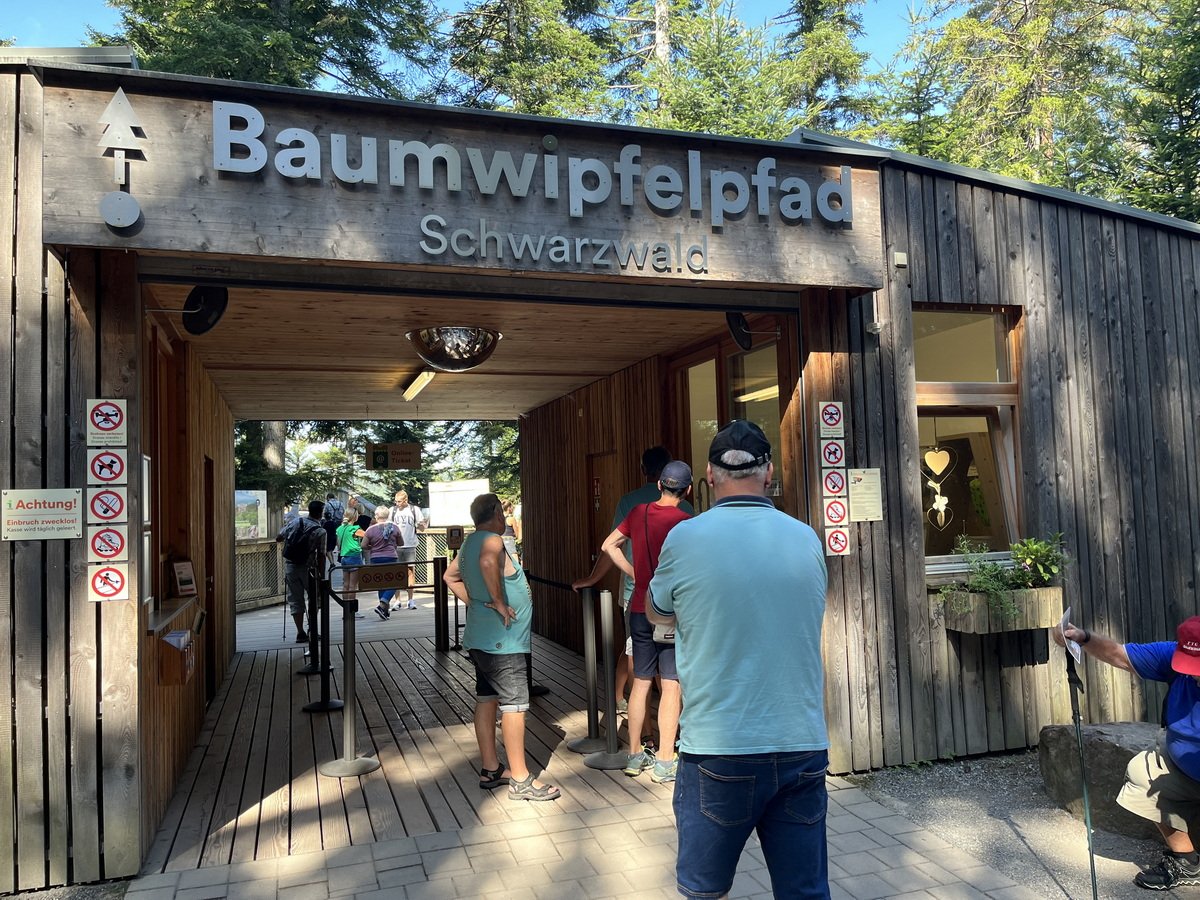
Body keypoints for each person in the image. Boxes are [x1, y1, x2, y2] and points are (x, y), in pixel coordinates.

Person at [648, 421, 830, 900]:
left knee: (705, 892)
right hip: (801, 742)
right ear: (768, 473)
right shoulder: (806, 537)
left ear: (709, 475)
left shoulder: (685, 538)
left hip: (718, 746)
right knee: (805, 892)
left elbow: (657, 610)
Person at [1053, 616, 1200, 891]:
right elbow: (1120, 655)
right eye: (1189, 665)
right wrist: (1083, 638)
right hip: (1183, 769)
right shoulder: (1172, 656)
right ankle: (1186, 862)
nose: (1193, 674)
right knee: (1142, 772)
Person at [443, 493, 560, 802]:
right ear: (497, 513)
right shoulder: (492, 541)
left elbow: (449, 577)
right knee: (515, 705)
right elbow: (487, 562)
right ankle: (520, 778)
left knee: (487, 699)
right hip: (503, 641)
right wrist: (496, 601)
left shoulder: (469, 542)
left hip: (482, 638)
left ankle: (491, 768)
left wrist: (476, 603)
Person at [573, 447, 693, 716]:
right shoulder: (685, 509)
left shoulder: (632, 504)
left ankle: (641, 729)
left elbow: (611, 546)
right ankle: (670, 729)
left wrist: (598, 577)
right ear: (687, 488)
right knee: (671, 674)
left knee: (636, 659)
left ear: (644, 471)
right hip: (675, 599)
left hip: (635, 594)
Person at [602, 460, 692, 782]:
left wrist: (635, 573)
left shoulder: (637, 512)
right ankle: (665, 761)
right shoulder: (686, 522)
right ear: (688, 491)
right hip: (671, 611)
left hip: (640, 607)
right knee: (671, 684)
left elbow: (608, 546)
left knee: (640, 681)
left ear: (658, 485)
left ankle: (634, 754)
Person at [275, 499, 326, 643]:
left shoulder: (296, 522)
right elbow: (321, 555)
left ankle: (300, 632)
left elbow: (279, 538)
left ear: (309, 510)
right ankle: (312, 630)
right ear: (321, 513)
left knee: (295, 599)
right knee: (314, 598)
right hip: (309, 569)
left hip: (291, 566)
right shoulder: (320, 531)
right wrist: (321, 575)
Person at [389, 490, 427, 610]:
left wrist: (421, 525)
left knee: (410, 572)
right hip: (396, 546)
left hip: (410, 545)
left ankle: (410, 600)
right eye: (396, 501)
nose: (397, 504)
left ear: (405, 500)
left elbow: (422, 528)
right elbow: (388, 526)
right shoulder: (392, 510)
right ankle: (397, 600)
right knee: (396, 573)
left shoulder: (414, 510)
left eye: (399, 501)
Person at [362, 505, 401, 620]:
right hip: (391, 557)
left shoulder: (370, 529)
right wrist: (393, 543)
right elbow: (401, 543)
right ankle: (383, 603)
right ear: (388, 515)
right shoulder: (394, 527)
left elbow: (363, 545)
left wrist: (372, 547)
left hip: (376, 558)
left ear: (376, 516)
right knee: (394, 582)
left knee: (380, 583)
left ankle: (383, 610)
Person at [335, 509, 366, 605]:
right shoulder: (355, 528)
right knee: (353, 586)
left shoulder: (340, 529)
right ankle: (352, 608)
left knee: (346, 584)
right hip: (354, 557)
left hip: (344, 557)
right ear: (355, 517)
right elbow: (367, 535)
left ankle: (346, 607)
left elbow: (338, 543)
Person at [322, 492, 344, 568]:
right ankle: (339, 548)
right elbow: (343, 512)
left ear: (328, 498)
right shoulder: (340, 503)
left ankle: (331, 558)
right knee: (337, 535)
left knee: (330, 538)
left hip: (330, 523)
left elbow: (325, 514)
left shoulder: (328, 504)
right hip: (339, 522)